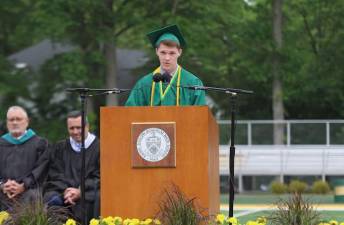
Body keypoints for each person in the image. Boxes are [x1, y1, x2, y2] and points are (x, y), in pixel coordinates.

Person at [125, 24, 206, 106]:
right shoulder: (144, 84)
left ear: (179, 52)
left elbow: (200, 116)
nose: (167, 58)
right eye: (163, 52)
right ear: (157, 51)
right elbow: (130, 113)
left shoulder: (193, 83)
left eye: (172, 53)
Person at [44, 111, 100, 222]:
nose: (75, 132)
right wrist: (67, 191)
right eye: (71, 128)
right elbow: (55, 174)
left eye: (79, 128)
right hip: (64, 191)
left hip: (89, 190)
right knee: (51, 197)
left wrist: (81, 190)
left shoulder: (100, 147)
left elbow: (101, 175)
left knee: (96, 197)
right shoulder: (60, 148)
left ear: (87, 126)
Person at [0, 106, 49, 210]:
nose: (15, 122)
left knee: (33, 196)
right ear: (7, 122)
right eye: (11, 119)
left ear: (27, 121)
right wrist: (2, 185)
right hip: (3, 191)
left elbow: (41, 170)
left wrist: (23, 185)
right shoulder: (1, 143)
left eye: (18, 119)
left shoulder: (40, 144)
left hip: (29, 191)